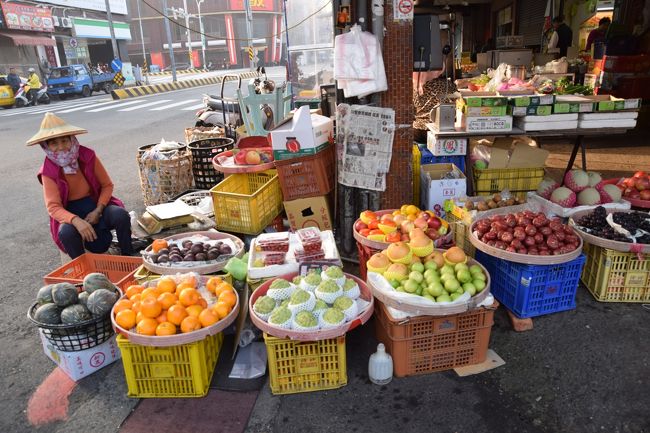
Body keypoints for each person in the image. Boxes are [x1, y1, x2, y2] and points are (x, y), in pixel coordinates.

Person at [26, 113, 133, 259]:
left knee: (120, 215)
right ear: (46, 146)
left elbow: (107, 185)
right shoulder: (47, 171)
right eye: (54, 143)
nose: (61, 147)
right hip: (69, 211)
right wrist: (76, 221)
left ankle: (128, 256)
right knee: (66, 233)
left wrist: (98, 210)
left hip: (94, 205)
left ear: (72, 139)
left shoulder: (87, 155)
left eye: (64, 141)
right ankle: (83, 270)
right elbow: (53, 207)